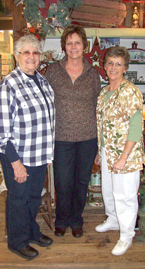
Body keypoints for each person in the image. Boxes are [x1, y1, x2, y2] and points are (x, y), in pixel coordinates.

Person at [0, 34, 55, 260]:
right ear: (16, 56)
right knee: (18, 199)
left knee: (33, 198)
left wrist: (47, 153)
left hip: (39, 154)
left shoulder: (43, 81)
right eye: (26, 52)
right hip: (18, 157)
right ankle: (17, 241)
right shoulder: (8, 85)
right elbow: (2, 131)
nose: (31, 56)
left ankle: (31, 231)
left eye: (35, 52)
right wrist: (15, 162)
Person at [45, 25, 101, 238]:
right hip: (61, 138)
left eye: (77, 42)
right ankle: (62, 219)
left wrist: (100, 144)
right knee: (62, 181)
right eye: (69, 43)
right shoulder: (53, 72)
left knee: (81, 181)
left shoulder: (92, 74)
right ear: (64, 46)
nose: (73, 46)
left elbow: (98, 105)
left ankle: (76, 219)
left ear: (84, 46)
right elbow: (46, 104)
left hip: (88, 138)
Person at [95, 46, 145, 256]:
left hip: (127, 154)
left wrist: (124, 157)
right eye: (110, 63)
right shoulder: (103, 93)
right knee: (108, 190)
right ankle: (114, 219)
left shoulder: (131, 92)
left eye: (118, 64)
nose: (113, 67)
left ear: (125, 68)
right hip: (109, 152)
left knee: (125, 196)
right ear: (104, 66)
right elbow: (103, 126)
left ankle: (126, 235)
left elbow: (135, 128)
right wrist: (101, 150)